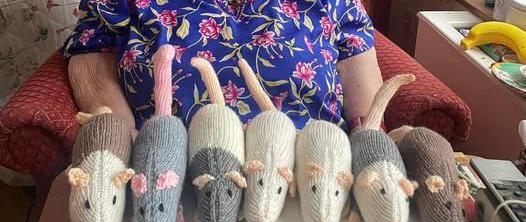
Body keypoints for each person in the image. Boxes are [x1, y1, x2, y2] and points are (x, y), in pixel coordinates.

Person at [64, 0, 383, 133]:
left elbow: (368, 117)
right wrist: (126, 147)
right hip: (172, 183)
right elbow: (92, 56)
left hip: (315, 180)